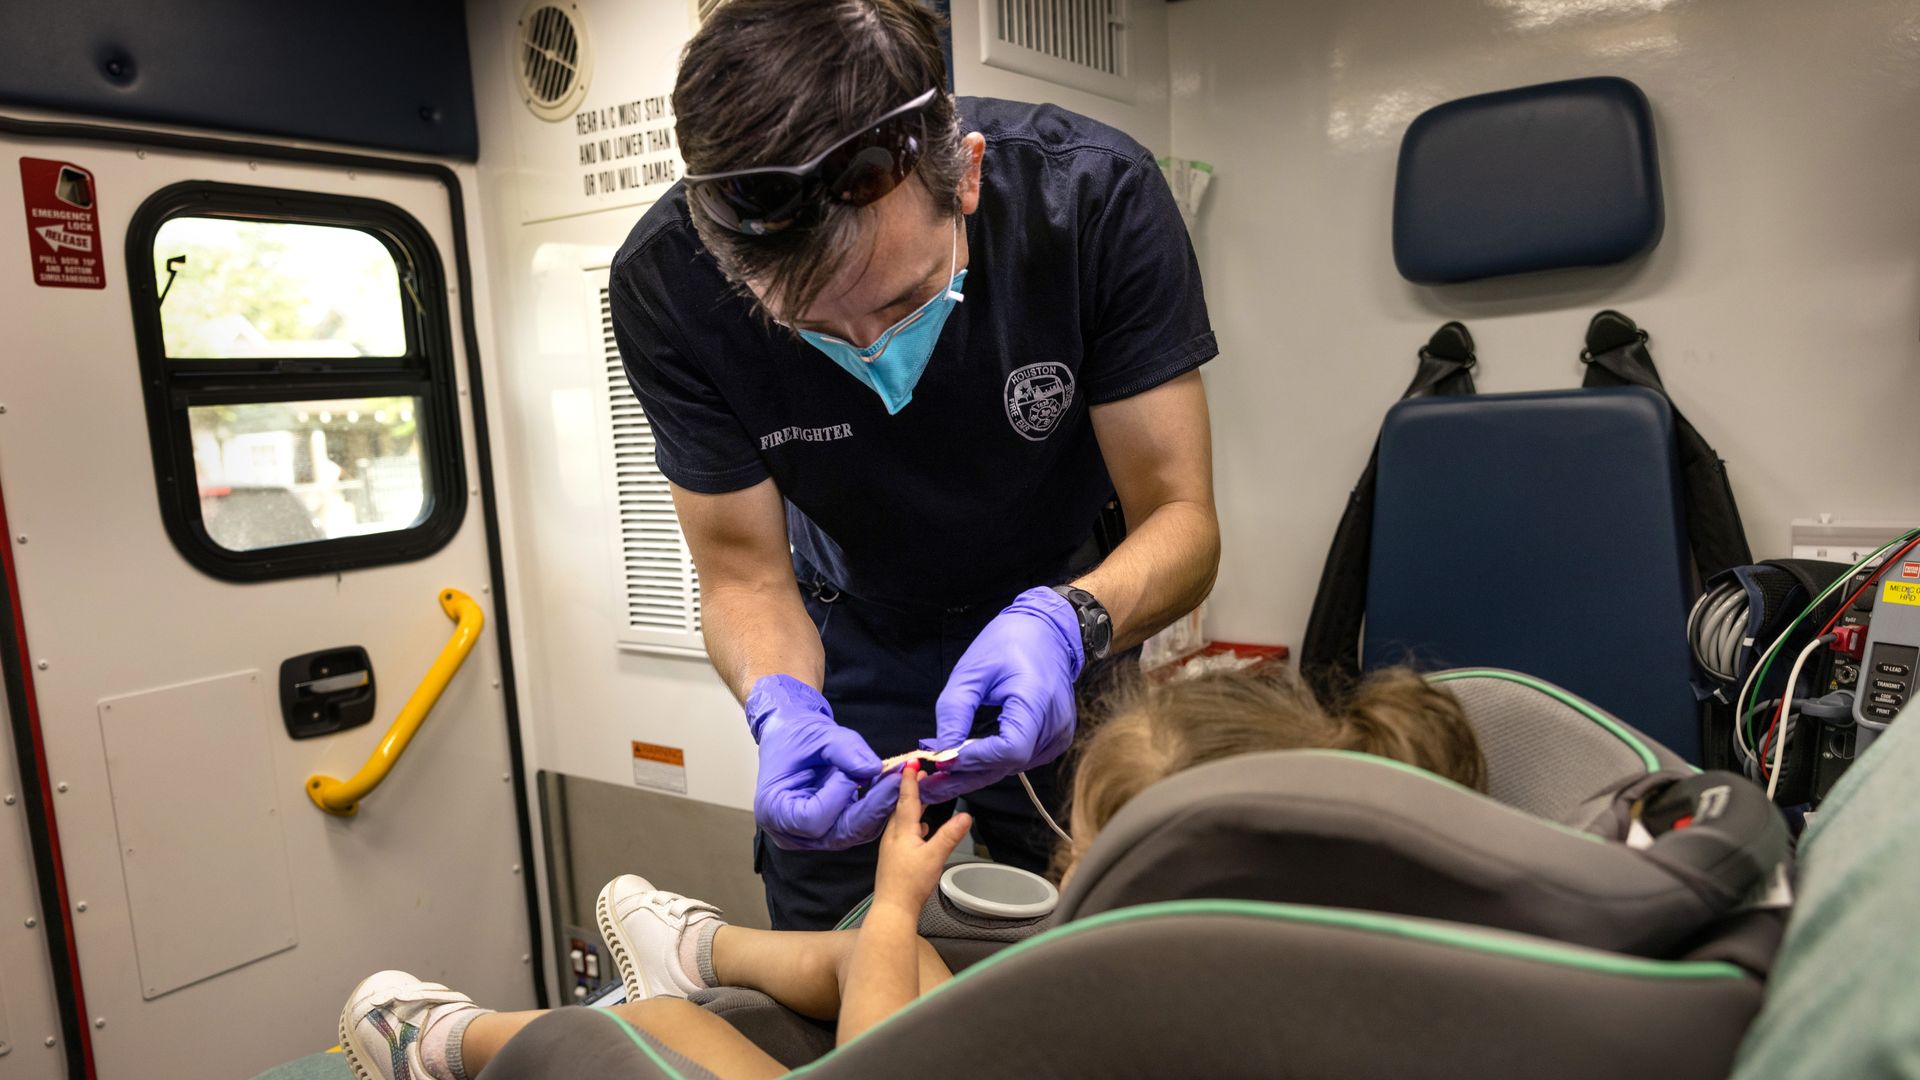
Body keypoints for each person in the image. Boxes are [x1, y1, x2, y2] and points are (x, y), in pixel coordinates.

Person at [611, 0, 1221, 929]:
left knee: (1085, 931)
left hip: (1063, 623)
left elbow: (1181, 518)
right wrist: (779, 704)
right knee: (837, 948)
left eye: (903, 300)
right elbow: (742, 575)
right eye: (813, 328)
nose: (868, 351)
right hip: (846, 640)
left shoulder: (1095, 198)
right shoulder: (668, 284)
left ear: (967, 176)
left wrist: (1070, 623)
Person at [339, 665, 1486, 1080]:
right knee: (929, 955)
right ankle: (699, 948)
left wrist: (891, 899)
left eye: (1081, 839)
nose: (1062, 856)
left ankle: (444, 1041)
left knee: (661, 1038)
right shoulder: (1322, 1000)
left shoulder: (1121, 1022)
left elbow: (881, 1059)